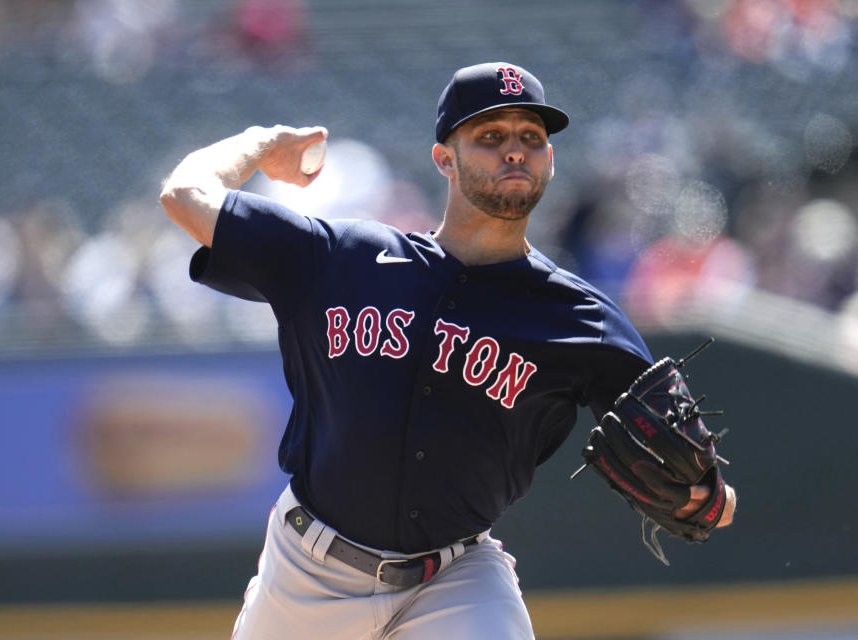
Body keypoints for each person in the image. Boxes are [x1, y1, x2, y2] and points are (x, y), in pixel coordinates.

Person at [160, 61, 736, 640]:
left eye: (531, 138)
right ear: (445, 159)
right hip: (307, 572)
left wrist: (705, 498)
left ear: (550, 162)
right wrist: (260, 145)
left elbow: (699, 480)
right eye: (490, 136)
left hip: (456, 577)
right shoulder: (341, 259)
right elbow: (185, 194)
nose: (515, 150)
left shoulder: (580, 318)